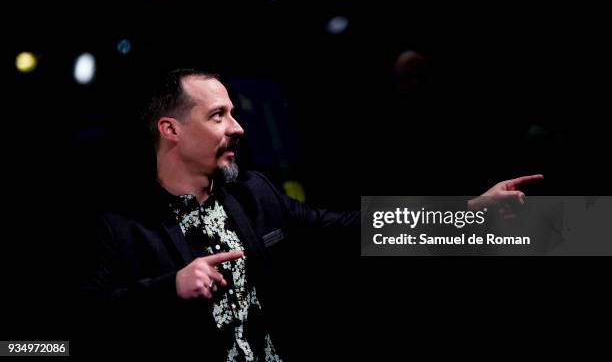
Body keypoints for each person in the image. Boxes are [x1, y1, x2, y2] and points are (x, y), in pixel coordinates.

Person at [79, 68, 543, 360]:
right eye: (218, 116)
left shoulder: (254, 195)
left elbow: (349, 230)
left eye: (233, 113)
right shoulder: (119, 226)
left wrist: (468, 215)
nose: (237, 128)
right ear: (171, 130)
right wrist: (170, 288)